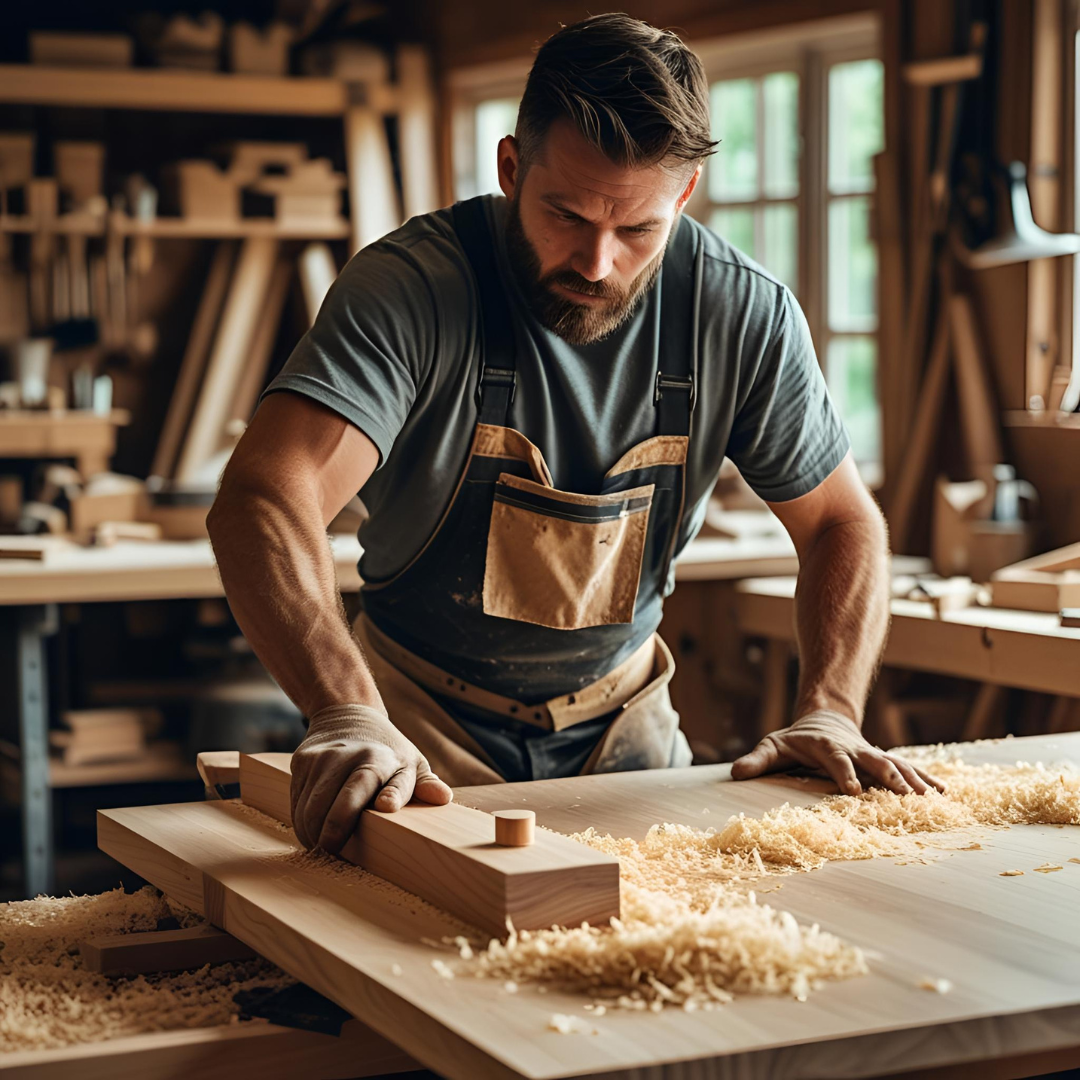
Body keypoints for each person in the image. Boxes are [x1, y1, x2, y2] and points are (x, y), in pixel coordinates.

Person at [207, 13, 944, 854]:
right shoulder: (413, 289)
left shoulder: (739, 312)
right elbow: (265, 500)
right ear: (512, 168)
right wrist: (344, 711)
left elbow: (844, 523)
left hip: (624, 730)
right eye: (565, 215)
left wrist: (832, 712)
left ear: (683, 199)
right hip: (417, 732)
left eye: (636, 231)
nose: (597, 263)